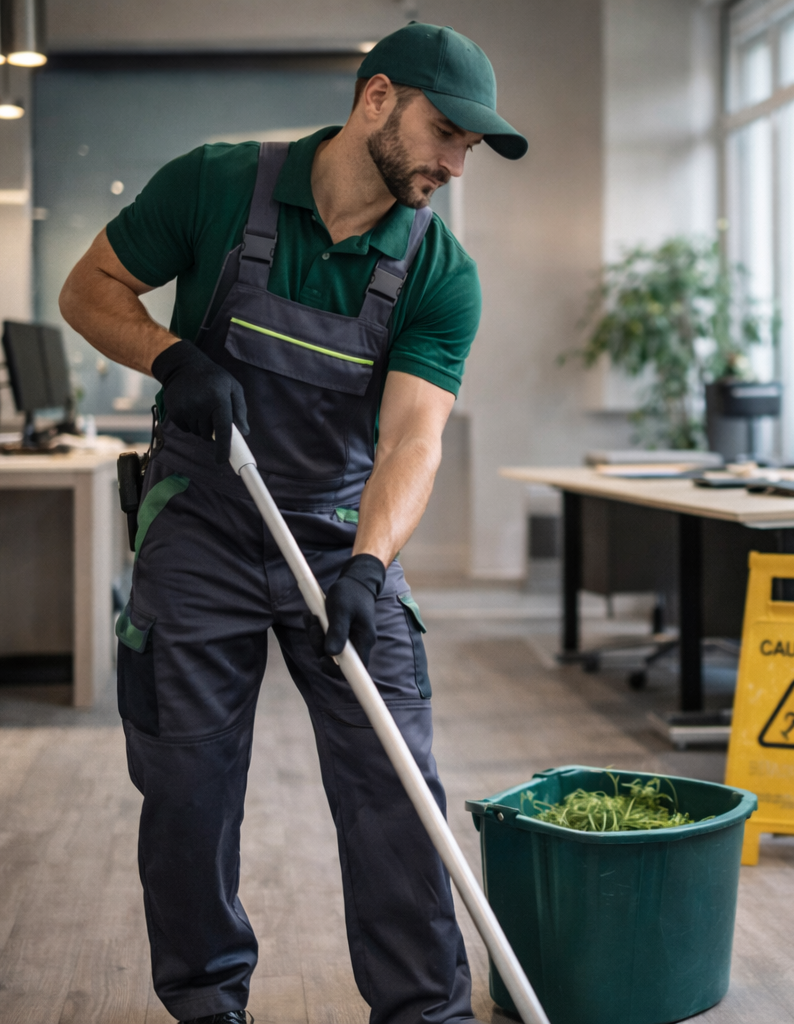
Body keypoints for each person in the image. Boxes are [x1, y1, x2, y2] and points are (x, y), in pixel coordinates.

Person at [58, 23, 526, 1024]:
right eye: (445, 134)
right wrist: (171, 358)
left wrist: (370, 564)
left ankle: (424, 1012)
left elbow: (412, 441)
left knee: (395, 782)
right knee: (187, 780)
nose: (455, 165)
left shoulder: (440, 272)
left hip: (339, 534)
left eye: (469, 147)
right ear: (376, 99)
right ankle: (207, 1003)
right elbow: (87, 289)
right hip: (203, 521)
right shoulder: (216, 186)